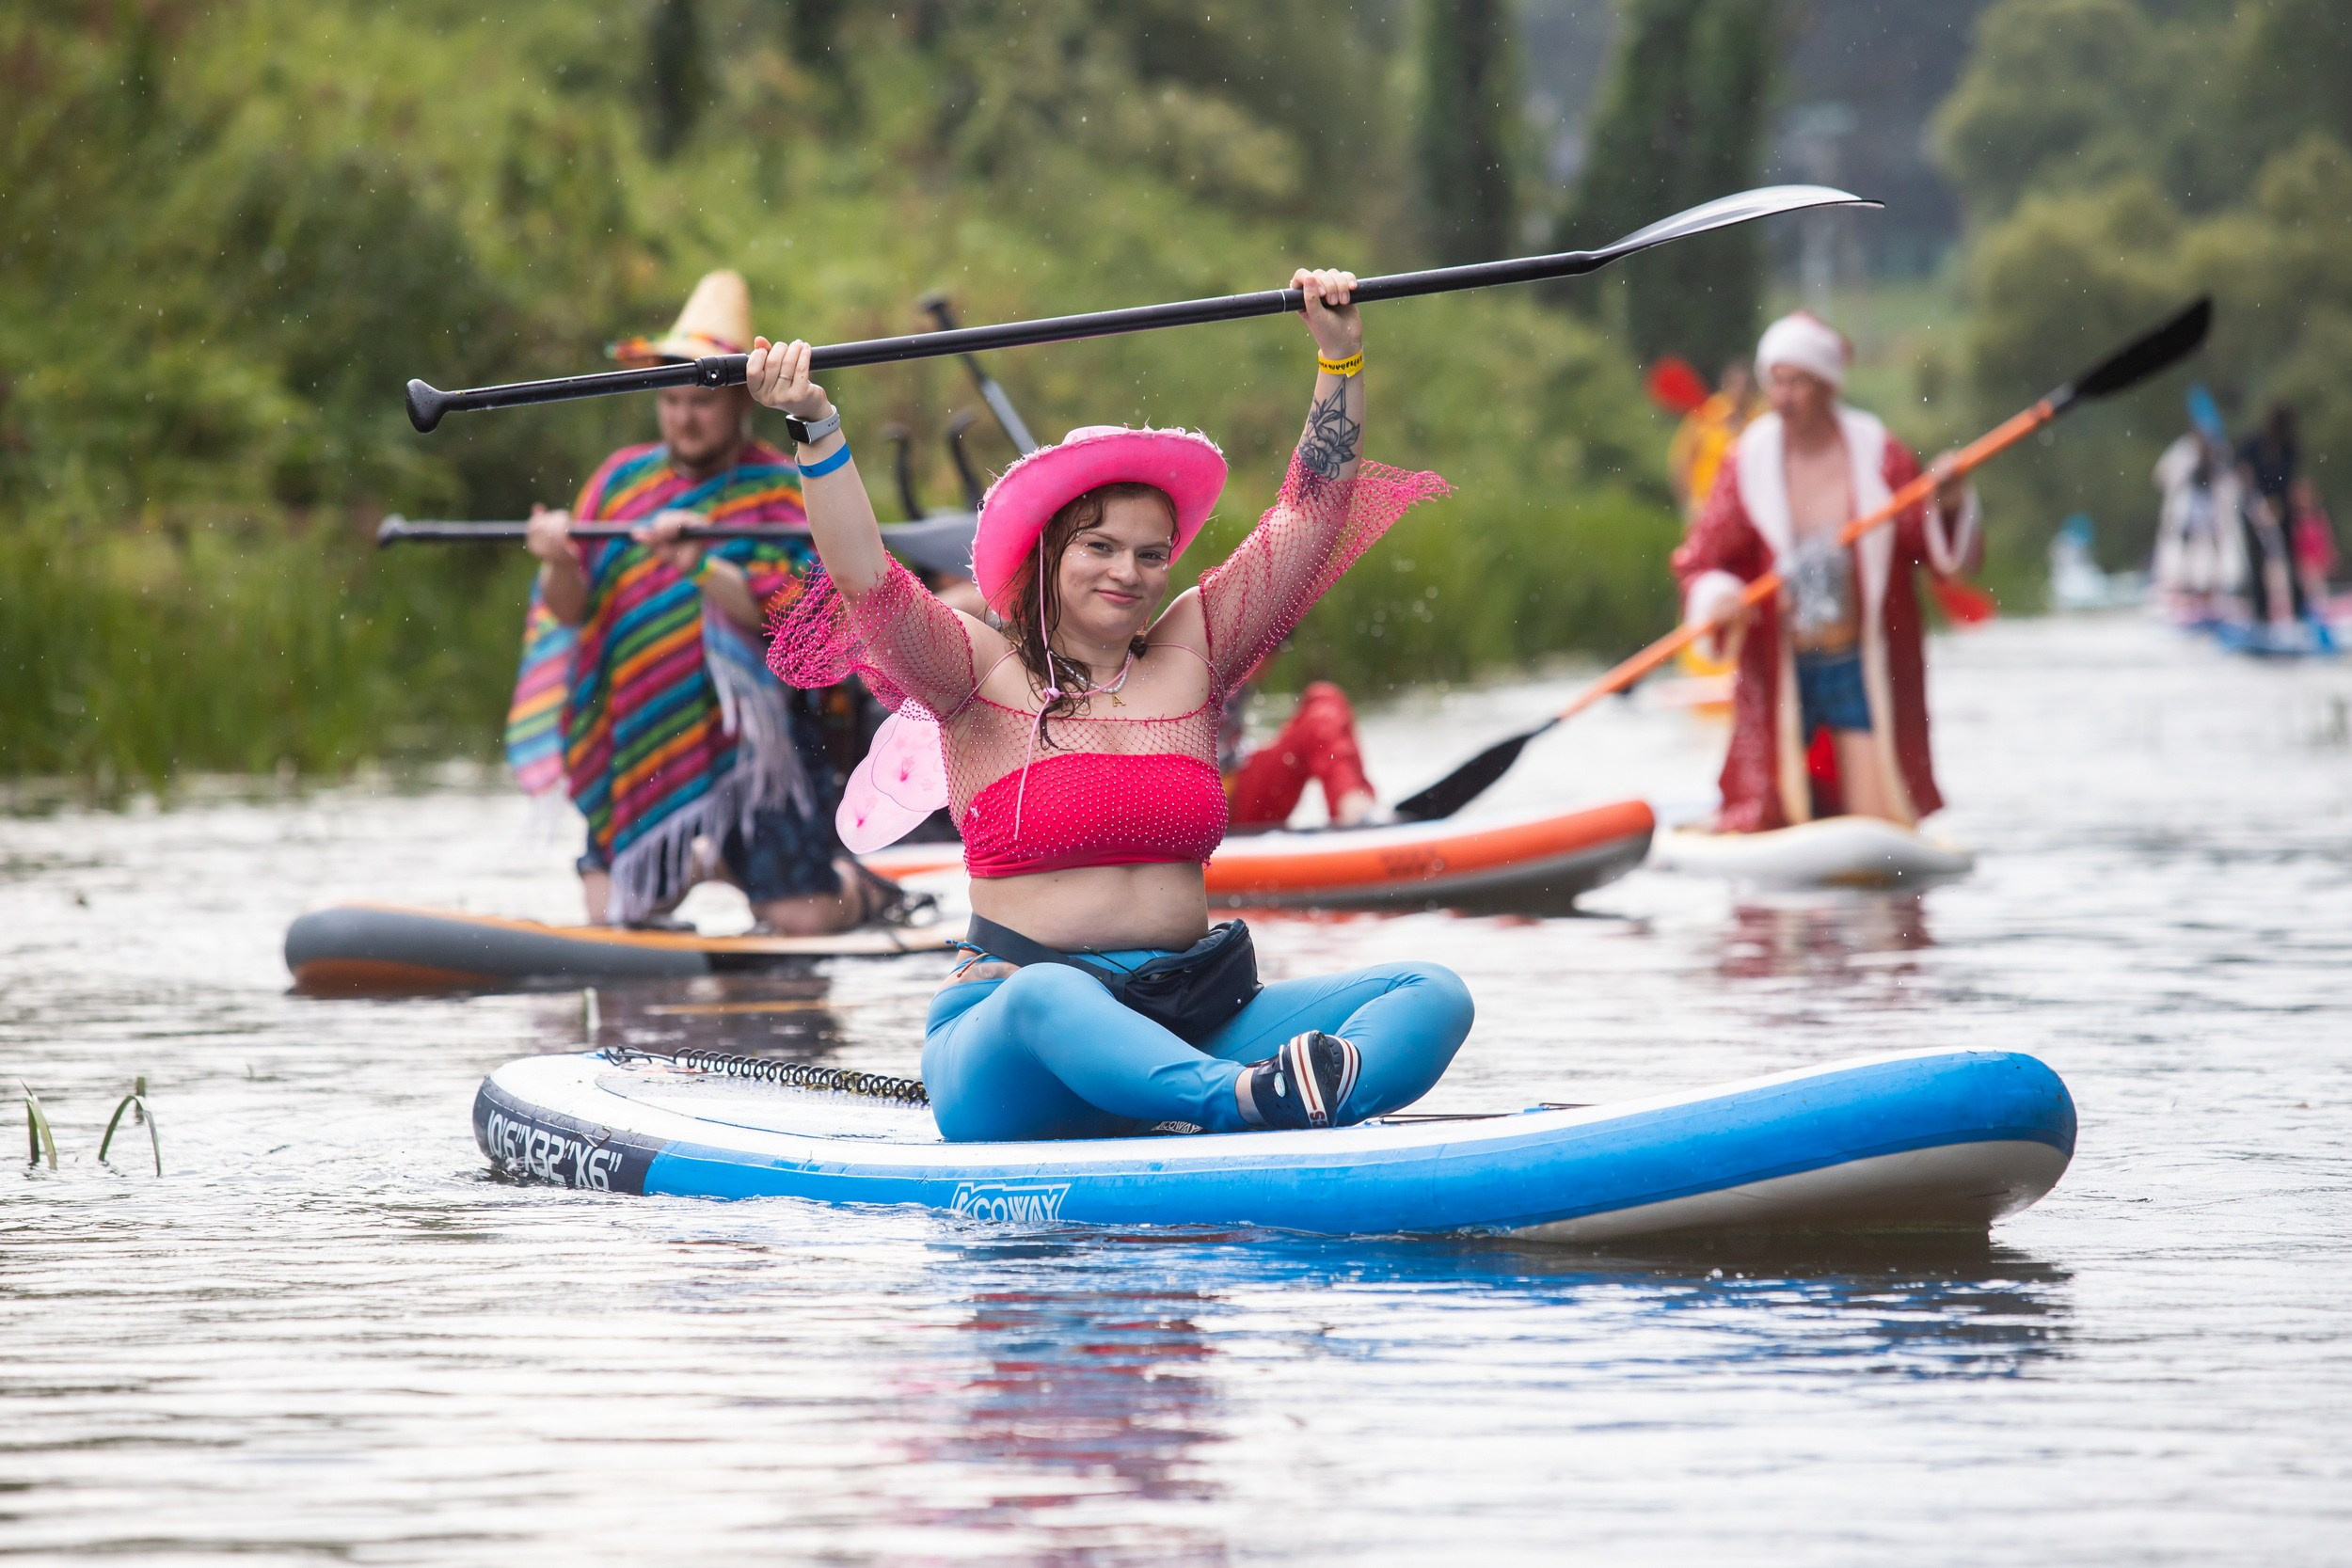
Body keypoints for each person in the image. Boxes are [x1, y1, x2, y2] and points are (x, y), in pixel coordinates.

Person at [753, 268, 1472, 1141]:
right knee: (1049, 993)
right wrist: (817, 427)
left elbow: (1309, 516)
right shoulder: (975, 669)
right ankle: (1241, 1104)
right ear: (1050, 555)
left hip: (1190, 1015)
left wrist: (1340, 358)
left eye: (1149, 553)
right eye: (1099, 546)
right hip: (1013, 1040)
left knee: (1431, 992)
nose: (1126, 574)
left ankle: (1289, 1097)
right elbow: (865, 575)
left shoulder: (1194, 649)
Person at [511, 270, 882, 933]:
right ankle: (698, 859)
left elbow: (787, 618)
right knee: (612, 916)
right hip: (640, 734)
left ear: (740, 401)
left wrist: (700, 565)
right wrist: (557, 560)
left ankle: (861, 889)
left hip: (756, 748)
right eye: (672, 400)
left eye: (701, 402)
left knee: (802, 920)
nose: (684, 416)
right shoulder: (620, 481)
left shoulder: (781, 486)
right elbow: (570, 612)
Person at [1672, 311, 1979, 832]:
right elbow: (1703, 556)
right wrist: (1719, 594)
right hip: (1780, 663)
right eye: (1777, 380)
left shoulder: (1877, 452)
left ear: (1827, 386)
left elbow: (1919, 541)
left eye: (1798, 382)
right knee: (1770, 808)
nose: (1784, 396)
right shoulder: (1748, 459)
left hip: (1858, 664)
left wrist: (1945, 506)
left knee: (1879, 816)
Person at [1220, 678, 1380, 831]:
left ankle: (1355, 810)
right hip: (1207, 807)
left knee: (1324, 702)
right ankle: (1357, 818)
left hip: (1236, 788)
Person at [1669, 359, 1767, 523]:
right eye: (1736, 384)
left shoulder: (1759, 423)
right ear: (1726, 385)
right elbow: (1681, 461)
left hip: (1744, 513)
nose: (1741, 391)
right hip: (1703, 508)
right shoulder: (1705, 415)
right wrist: (1685, 505)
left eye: (1747, 386)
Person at [2238, 404, 2304, 625]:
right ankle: (2261, 616)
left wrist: (2278, 507)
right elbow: (2244, 474)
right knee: (2258, 564)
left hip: (2282, 509)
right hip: (2253, 507)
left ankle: (2300, 613)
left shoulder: (2289, 445)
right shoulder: (2253, 444)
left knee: (2292, 561)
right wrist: (2258, 505)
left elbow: (2288, 478)